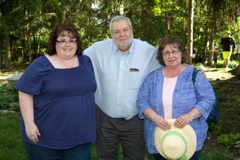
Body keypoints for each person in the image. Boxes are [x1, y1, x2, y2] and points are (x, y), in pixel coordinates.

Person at [84, 15, 205, 160]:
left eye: (125, 30)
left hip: (135, 120)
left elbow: (169, 61)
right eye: (116, 32)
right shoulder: (97, 50)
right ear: (111, 34)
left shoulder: (147, 51)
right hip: (105, 119)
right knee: (105, 157)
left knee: (135, 157)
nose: (122, 35)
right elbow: (75, 58)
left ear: (132, 30)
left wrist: (189, 69)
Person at [14, 23, 97, 160]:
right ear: (54, 43)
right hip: (45, 137)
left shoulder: (86, 62)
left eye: (72, 40)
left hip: (80, 135)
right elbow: (25, 92)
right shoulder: (41, 64)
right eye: (62, 40)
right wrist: (29, 124)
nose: (67, 44)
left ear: (77, 43)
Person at [137, 35, 215, 160]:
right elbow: (142, 100)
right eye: (166, 52)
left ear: (181, 53)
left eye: (174, 51)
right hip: (160, 137)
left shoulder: (194, 75)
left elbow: (208, 98)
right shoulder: (152, 78)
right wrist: (155, 118)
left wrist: (189, 116)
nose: (171, 56)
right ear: (161, 56)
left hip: (189, 136)